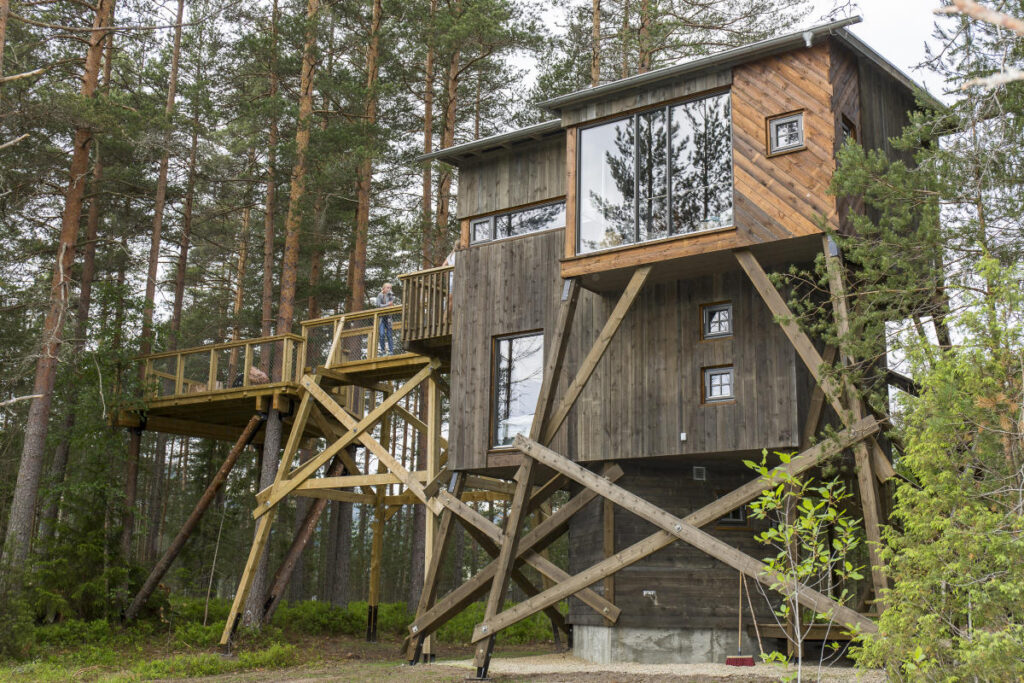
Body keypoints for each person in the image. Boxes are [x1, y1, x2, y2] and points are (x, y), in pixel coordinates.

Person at [375, 282, 396, 355]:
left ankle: (391, 351)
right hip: (381, 318)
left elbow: (392, 304)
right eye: (388, 287)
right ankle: (383, 350)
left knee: (389, 335)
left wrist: (387, 305)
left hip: (388, 318)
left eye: (390, 288)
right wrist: (387, 305)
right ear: (383, 289)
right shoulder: (380, 295)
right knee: (382, 334)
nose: (389, 289)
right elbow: (378, 305)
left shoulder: (391, 295)